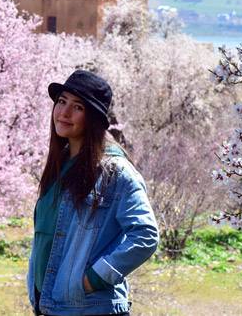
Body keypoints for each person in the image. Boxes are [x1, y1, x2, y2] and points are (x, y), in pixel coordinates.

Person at [27, 70, 159, 316]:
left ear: (93, 118)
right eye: (62, 101)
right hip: (52, 308)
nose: (64, 112)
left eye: (77, 107)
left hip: (90, 309)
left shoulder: (115, 172)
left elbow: (145, 235)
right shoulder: (60, 165)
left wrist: (92, 280)